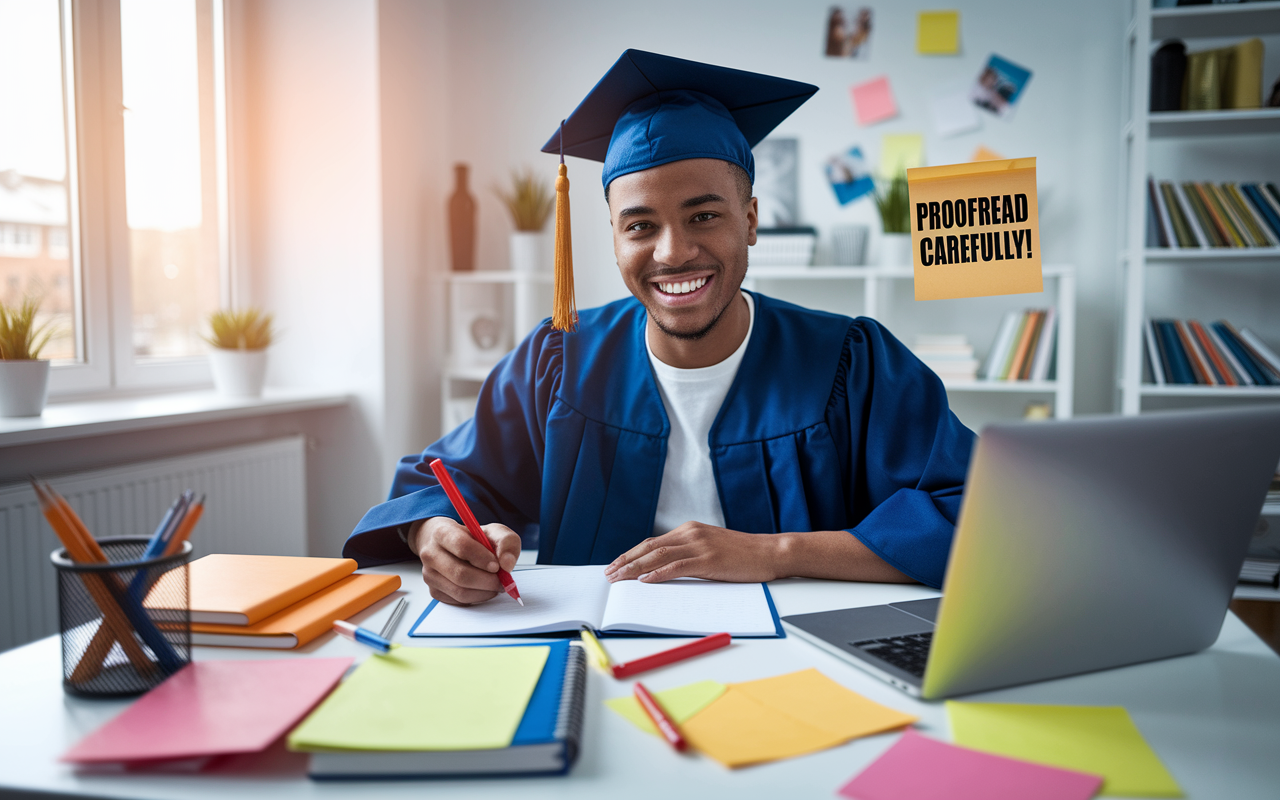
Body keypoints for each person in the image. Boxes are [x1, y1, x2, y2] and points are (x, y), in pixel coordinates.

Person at [344, 50, 976, 607]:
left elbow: (976, 514)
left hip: (805, 662)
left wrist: (774, 553)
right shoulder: (559, 361)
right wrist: (439, 539)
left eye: (703, 216)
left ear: (751, 220)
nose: (673, 253)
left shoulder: (849, 361)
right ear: (614, 236)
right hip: (596, 661)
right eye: (640, 225)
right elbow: (437, 484)